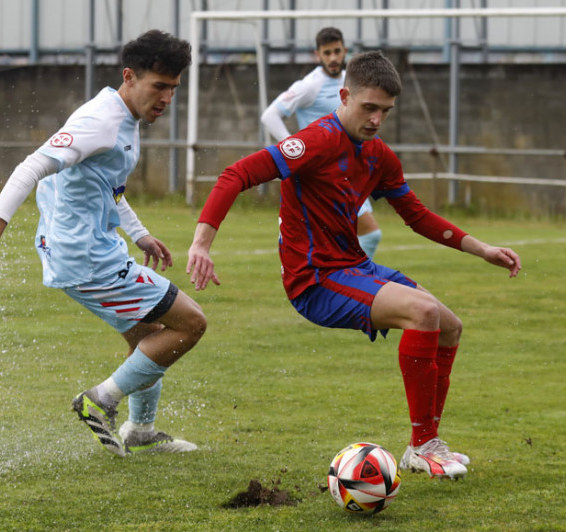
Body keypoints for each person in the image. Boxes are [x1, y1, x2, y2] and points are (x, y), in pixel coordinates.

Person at [188, 51, 521, 479]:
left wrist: (483, 249)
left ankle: (428, 443)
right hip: (316, 280)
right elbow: (235, 175)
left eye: (385, 111)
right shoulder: (314, 142)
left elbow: (416, 215)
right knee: (424, 313)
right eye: (369, 107)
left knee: (450, 326)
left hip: (354, 267)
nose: (377, 119)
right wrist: (202, 243)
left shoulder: (378, 155)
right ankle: (421, 446)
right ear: (344, 96)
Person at [0, 30, 204, 457]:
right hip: (88, 259)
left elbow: (108, 186)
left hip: (78, 252)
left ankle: (140, 431)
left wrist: (139, 233)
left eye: (173, 88)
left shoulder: (121, 116)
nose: (166, 98)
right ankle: (100, 401)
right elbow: (31, 167)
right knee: (190, 324)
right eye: (158, 86)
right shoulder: (101, 121)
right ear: (130, 76)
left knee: (148, 339)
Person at [260, 27, 382, 259]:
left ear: (345, 51)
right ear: (318, 55)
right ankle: (357, 285)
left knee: (342, 241)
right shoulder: (309, 85)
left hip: (350, 172)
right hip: (326, 175)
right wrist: (296, 152)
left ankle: (348, 285)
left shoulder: (353, 81)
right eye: (327, 53)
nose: (333, 58)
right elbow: (269, 116)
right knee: (369, 234)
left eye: (337, 51)